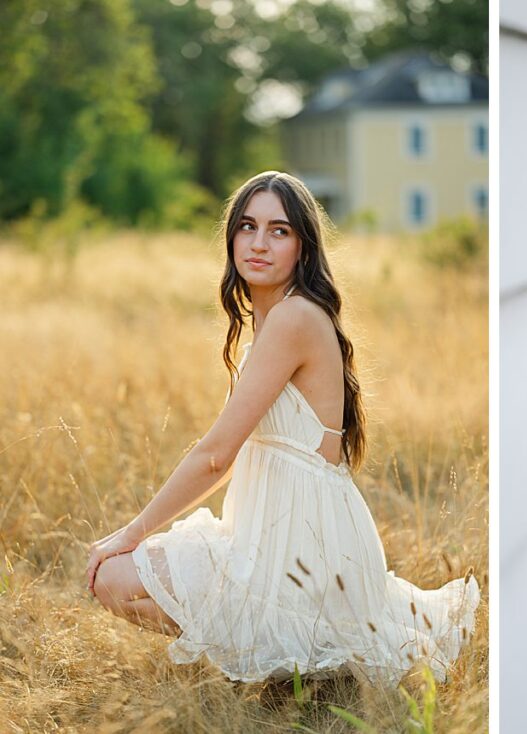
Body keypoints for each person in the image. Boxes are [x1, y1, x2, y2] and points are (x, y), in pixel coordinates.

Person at [84, 171, 480, 687]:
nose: (259, 243)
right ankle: (271, 666)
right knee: (136, 580)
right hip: (277, 535)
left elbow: (215, 456)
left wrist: (130, 534)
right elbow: (235, 454)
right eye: (247, 227)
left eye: (279, 230)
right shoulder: (272, 319)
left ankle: (278, 669)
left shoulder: (294, 317)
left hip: (305, 545)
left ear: (303, 247)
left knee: (114, 575)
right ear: (231, 238)